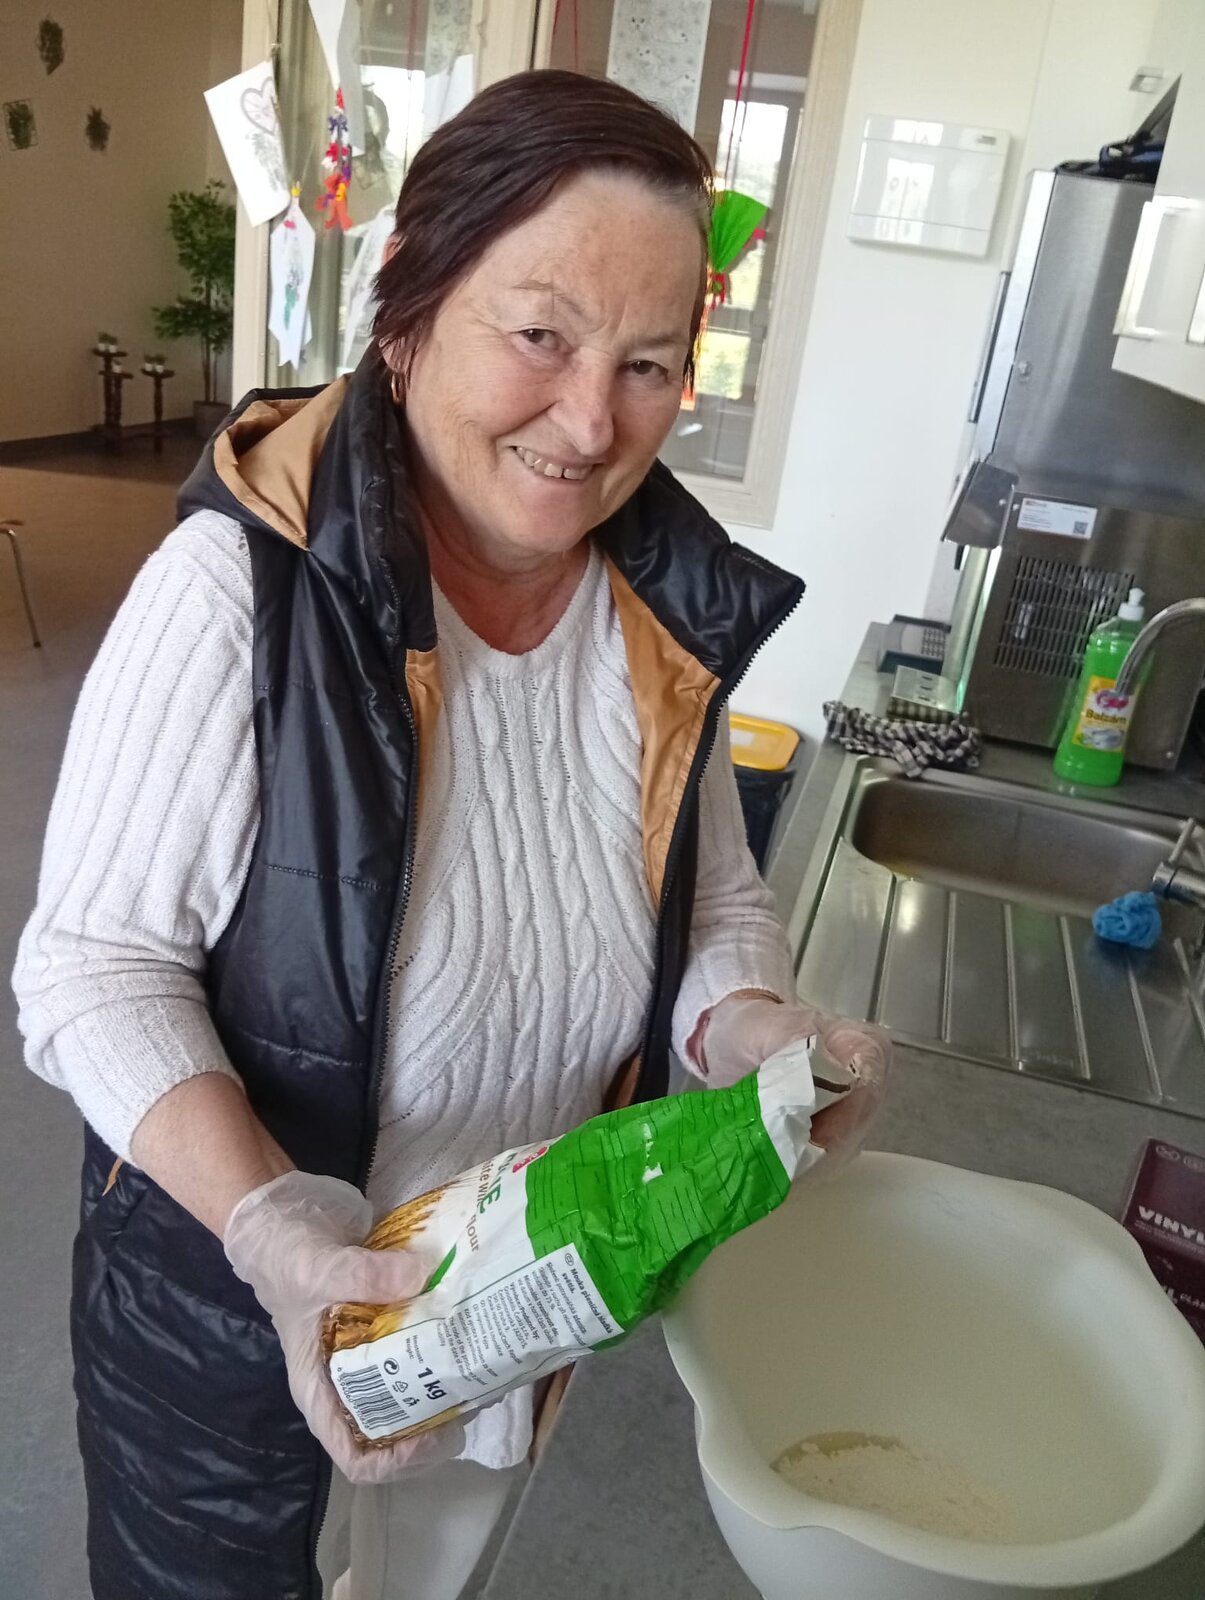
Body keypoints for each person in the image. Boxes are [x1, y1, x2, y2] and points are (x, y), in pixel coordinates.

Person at [13, 69, 889, 1600]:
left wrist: (752, 1025)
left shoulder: (657, 617)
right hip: (237, 1325)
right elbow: (89, 969)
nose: (591, 420)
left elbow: (709, 907)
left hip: (514, 1309)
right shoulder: (239, 595)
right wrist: (271, 1224)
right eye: (539, 335)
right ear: (409, 318)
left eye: (647, 363)